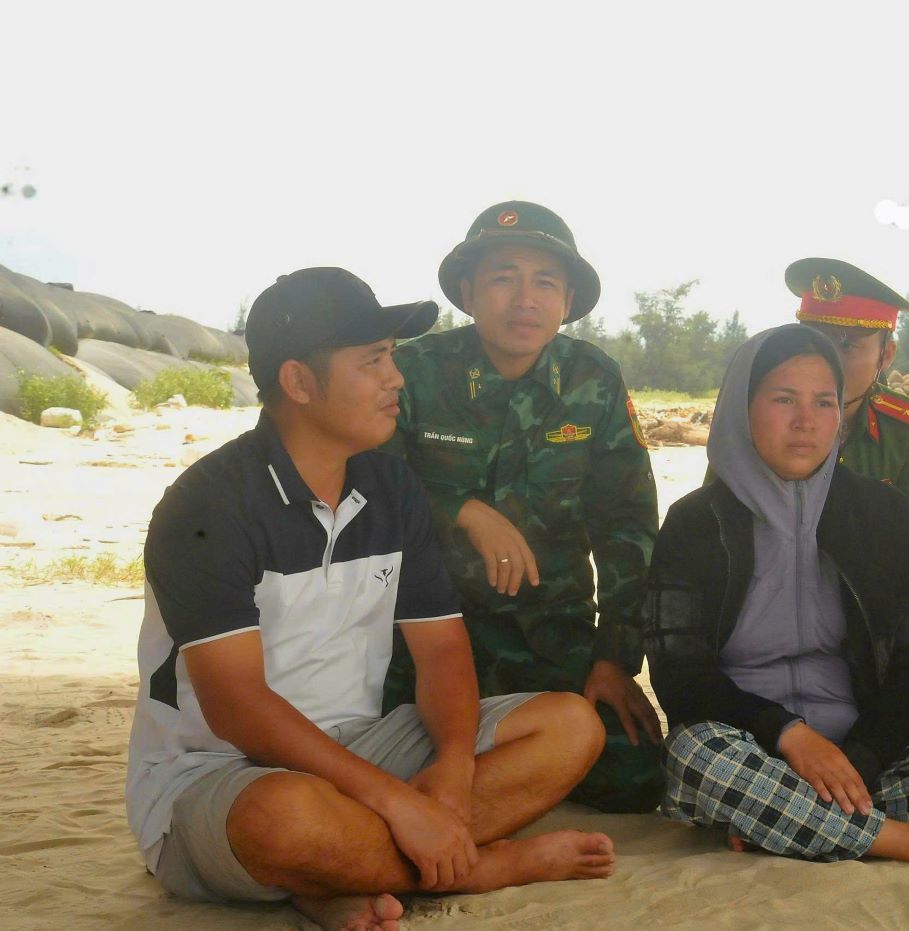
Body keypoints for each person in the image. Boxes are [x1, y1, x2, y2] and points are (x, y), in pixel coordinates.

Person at [126, 268, 615, 931]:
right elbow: (237, 709)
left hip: (362, 746)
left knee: (571, 726)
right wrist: (400, 803)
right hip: (220, 772)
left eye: (391, 358)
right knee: (287, 818)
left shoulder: (392, 487)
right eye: (374, 361)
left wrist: (448, 766)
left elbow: (443, 651)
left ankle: (333, 873)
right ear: (299, 382)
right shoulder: (207, 507)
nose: (397, 379)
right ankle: (481, 864)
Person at [644, 324, 909, 869]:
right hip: (750, 748)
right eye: (783, 399)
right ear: (742, 409)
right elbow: (679, 673)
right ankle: (906, 840)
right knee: (697, 756)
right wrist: (788, 735)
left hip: (870, 751)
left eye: (824, 402)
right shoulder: (695, 523)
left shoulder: (886, 516)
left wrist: (859, 757)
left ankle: (789, 822)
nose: (805, 422)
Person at [383, 201, 664, 814]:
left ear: (567, 301)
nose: (525, 299)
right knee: (378, 755)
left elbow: (629, 525)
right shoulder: (415, 373)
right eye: (503, 278)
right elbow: (367, 487)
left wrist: (614, 658)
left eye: (545, 283)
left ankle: (464, 790)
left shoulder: (594, 381)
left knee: (635, 779)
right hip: (427, 638)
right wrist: (461, 508)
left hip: (551, 637)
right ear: (468, 291)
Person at [789, 258, 909, 557]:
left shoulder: (908, 430)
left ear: (886, 355)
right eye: (813, 342)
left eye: (846, 346)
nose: (826, 360)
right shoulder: (759, 415)